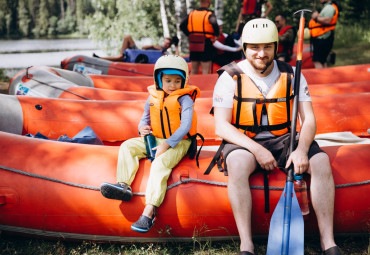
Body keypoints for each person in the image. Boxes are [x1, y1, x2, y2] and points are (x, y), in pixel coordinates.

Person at [211, 18, 342, 254]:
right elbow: (221, 126)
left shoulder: (293, 73)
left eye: (267, 47)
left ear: (275, 46)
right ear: (244, 48)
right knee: (238, 164)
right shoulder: (228, 77)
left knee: (320, 161)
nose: (261, 53)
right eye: (254, 47)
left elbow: (309, 120)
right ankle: (246, 244)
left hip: (285, 139)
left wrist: (302, 150)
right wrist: (257, 150)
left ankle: (328, 241)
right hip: (244, 140)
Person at [100, 55, 200, 233]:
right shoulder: (153, 97)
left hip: (179, 142)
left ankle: (150, 210)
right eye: (168, 80)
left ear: (184, 81)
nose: (172, 85)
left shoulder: (185, 99)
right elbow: (145, 117)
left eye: (177, 81)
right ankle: (123, 185)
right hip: (158, 138)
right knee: (128, 146)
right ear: (159, 80)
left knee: (160, 163)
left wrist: (167, 145)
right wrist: (142, 129)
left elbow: (185, 126)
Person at [180, 0, 219, 75]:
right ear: (208, 2)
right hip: (206, 43)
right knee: (205, 71)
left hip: (194, 43)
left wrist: (189, 34)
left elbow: (182, 25)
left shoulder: (192, 13)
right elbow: (214, 23)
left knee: (194, 70)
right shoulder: (209, 14)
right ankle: (205, 86)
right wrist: (216, 35)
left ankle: (192, 86)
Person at [93, 35, 179, 62]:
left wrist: (176, 46)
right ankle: (121, 55)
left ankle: (100, 58)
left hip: (138, 58)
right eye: (165, 42)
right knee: (127, 37)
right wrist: (153, 46)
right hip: (138, 52)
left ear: (169, 45)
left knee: (121, 58)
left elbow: (177, 58)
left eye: (167, 44)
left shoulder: (165, 53)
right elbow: (143, 47)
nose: (165, 44)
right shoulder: (157, 47)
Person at [309, 0, 339, 68]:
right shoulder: (328, 6)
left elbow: (327, 20)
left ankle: (321, 78)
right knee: (322, 60)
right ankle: (326, 77)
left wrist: (316, 18)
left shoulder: (329, 7)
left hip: (323, 37)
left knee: (317, 60)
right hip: (322, 37)